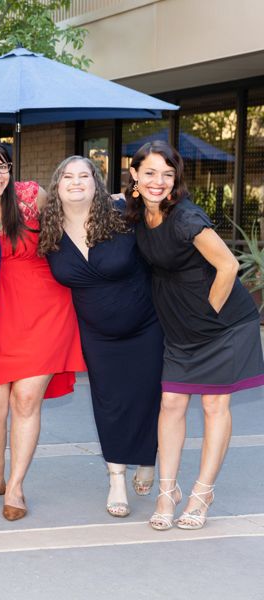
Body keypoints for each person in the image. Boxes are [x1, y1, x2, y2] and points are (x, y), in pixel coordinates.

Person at [129, 140, 264, 530]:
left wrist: (206, 314)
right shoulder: (137, 212)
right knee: (170, 403)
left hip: (222, 326)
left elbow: (227, 266)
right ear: (135, 174)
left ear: (176, 179)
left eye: (167, 174)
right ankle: (167, 492)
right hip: (179, 329)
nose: (159, 181)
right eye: (150, 172)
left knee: (212, 407)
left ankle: (202, 493)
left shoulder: (186, 218)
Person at [0, 140, 85, 521]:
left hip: (44, 310)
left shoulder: (32, 196)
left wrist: (121, 199)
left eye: (2, 167)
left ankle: (15, 485)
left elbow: (75, 219)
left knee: (27, 399)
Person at [39, 156, 163, 518]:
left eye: (84, 176)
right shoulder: (49, 228)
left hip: (146, 325)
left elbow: (154, 192)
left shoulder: (124, 211)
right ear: (57, 186)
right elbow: (1, 201)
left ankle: (148, 458)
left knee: (147, 395)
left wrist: (138, 180)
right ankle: (116, 479)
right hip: (97, 335)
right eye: (67, 177)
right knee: (109, 404)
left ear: (96, 183)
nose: (76, 182)